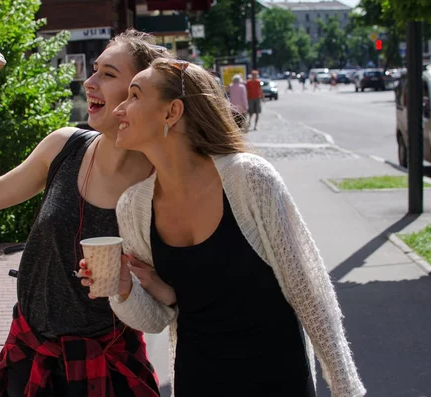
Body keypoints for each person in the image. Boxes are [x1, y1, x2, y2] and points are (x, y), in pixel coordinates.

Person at [79, 59, 366, 396]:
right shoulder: (133, 207)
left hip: (278, 381)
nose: (119, 110)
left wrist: (345, 388)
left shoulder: (249, 180)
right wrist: (123, 288)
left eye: (135, 96)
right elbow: (158, 318)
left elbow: (309, 292)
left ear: (172, 113)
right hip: (197, 381)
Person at [0, 29, 171, 397]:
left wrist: (138, 280)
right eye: (93, 70)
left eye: (108, 74)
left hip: (105, 364)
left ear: (139, 93)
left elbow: (170, 297)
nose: (89, 82)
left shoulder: (159, 184)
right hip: (28, 354)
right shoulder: (65, 146)